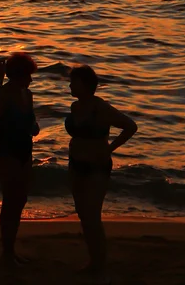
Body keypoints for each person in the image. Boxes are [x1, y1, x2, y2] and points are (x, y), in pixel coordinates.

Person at [65, 64, 137, 284]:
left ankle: (99, 264)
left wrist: (109, 148)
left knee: (92, 216)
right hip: (76, 165)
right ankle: (93, 260)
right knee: (83, 214)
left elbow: (130, 126)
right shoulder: (75, 107)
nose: (70, 85)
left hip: (97, 168)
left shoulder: (102, 108)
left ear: (85, 85)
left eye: (74, 81)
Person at [0, 52, 39, 265]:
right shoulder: (6, 92)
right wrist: (0, 76)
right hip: (7, 148)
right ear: (19, 75)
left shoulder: (27, 94)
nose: (31, 79)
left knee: (20, 199)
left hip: (24, 148)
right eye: (28, 75)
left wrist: (34, 127)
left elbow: (32, 123)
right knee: (10, 199)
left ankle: (11, 249)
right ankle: (7, 252)